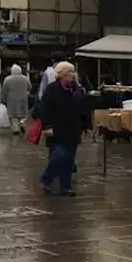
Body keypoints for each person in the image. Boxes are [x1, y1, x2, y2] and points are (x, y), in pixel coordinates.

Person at [36, 61, 87, 196]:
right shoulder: (52, 89)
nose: (71, 74)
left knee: (69, 160)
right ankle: (46, 177)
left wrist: (86, 124)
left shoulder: (77, 89)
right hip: (57, 129)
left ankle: (66, 187)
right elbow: (44, 108)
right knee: (59, 156)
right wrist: (46, 126)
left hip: (73, 129)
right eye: (68, 72)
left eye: (72, 72)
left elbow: (83, 108)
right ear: (61, 74)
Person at [0, 64, 31, 135]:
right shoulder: (25, 78)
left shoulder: (7, 79)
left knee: (13, 115)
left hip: (11, 99)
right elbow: (30, 87)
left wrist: (3, 100)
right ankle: (22, 123)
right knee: (23, 114)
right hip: (23, 98)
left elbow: (4, 90)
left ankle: (16, 129)